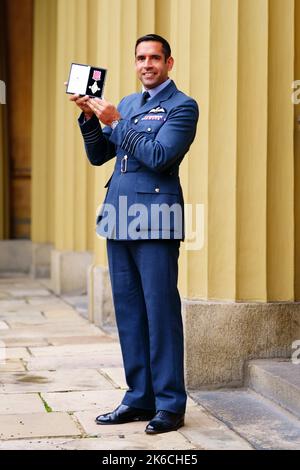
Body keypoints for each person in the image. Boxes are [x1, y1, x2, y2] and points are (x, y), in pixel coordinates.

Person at [69, 34, 199, 434]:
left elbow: (160, 157)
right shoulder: (125, 104)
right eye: (141, 58)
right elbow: (98, 156)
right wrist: (91, 118)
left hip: (156, 221)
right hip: (119, 218)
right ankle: (139, 397)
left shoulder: (183, 107)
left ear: (169, 63)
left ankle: (170, 404)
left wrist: (115, 122)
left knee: (160, 314)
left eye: (155, 58)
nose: (147, 64)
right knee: (129, 314)